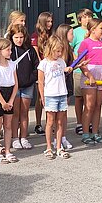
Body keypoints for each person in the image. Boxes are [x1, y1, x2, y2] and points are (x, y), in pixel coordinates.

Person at [37, 36, 72, 160]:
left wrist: (67, 69)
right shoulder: (44, 63)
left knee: (60, 122)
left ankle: (58, 147)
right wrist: (42, 97)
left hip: (62, 94)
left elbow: (63, 72)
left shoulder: (61, 61)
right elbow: (41, 82)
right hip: (50, 95)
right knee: (50, 122)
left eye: (60, 51)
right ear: (50, 49)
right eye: (57, 51)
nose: (59, 53)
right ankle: (48, 147)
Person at [78, 18, 102, 145]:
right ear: (93, 29)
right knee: (89, 106)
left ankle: (95, 132)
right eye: (101, 28)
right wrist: (89, 75)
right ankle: (86, 133)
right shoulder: (85, 43)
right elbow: (81, 63)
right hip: (89, 77)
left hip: (101, 76)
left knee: (97, 105)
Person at [0, 37, 19, 163]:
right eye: (8, 50)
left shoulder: (12, 64)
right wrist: (3, 103)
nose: (10, 52)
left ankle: (7, 150)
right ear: (0, 51)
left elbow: (16, 84)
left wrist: (11, 101)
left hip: (9, 94)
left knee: (8, 125)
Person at [9, 24, 39, 150]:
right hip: (14, 86)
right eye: (16, 37)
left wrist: (30, 79)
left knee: (24, 112)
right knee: (15, 113)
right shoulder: (9, 50)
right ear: (12, 37)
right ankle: (15, 137)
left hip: (27, 85)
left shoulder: (30, 50)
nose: (19, 40)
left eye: (21, 37)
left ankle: (24, 137)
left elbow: (36, 66)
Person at [55, 23, 81, 151]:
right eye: (71, 33)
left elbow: (69, 67)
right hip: (60, 84)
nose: (73, 35)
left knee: (64, 112)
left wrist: (77, 65)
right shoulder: (60, 50)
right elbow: (60, 68)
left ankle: (63, 136)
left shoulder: (69, 48)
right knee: (58, 113)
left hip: (67, 82)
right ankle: (57, 138)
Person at [71, 8, 93, 135]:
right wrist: (77, 61)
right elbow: (70, 48)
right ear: (79, 20)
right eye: (84, 17)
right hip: (79, 69)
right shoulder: (76, 32)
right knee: (79, 97)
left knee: (89, 98)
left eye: (89, 16)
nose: (87, 19)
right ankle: (79, 122)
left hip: (92, 68)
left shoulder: (94, 31)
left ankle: (88, 121)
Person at [31, 11, 54, 135]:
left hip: (52, 68)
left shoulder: (52, 35)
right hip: (41, 68)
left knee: (50, 96)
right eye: (48, 21)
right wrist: (44, 69)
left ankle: (50, 123)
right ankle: (38, 123)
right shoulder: (35, 36)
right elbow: (36, 55)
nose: (50, 24)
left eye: (51, 21)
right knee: (40, 97)